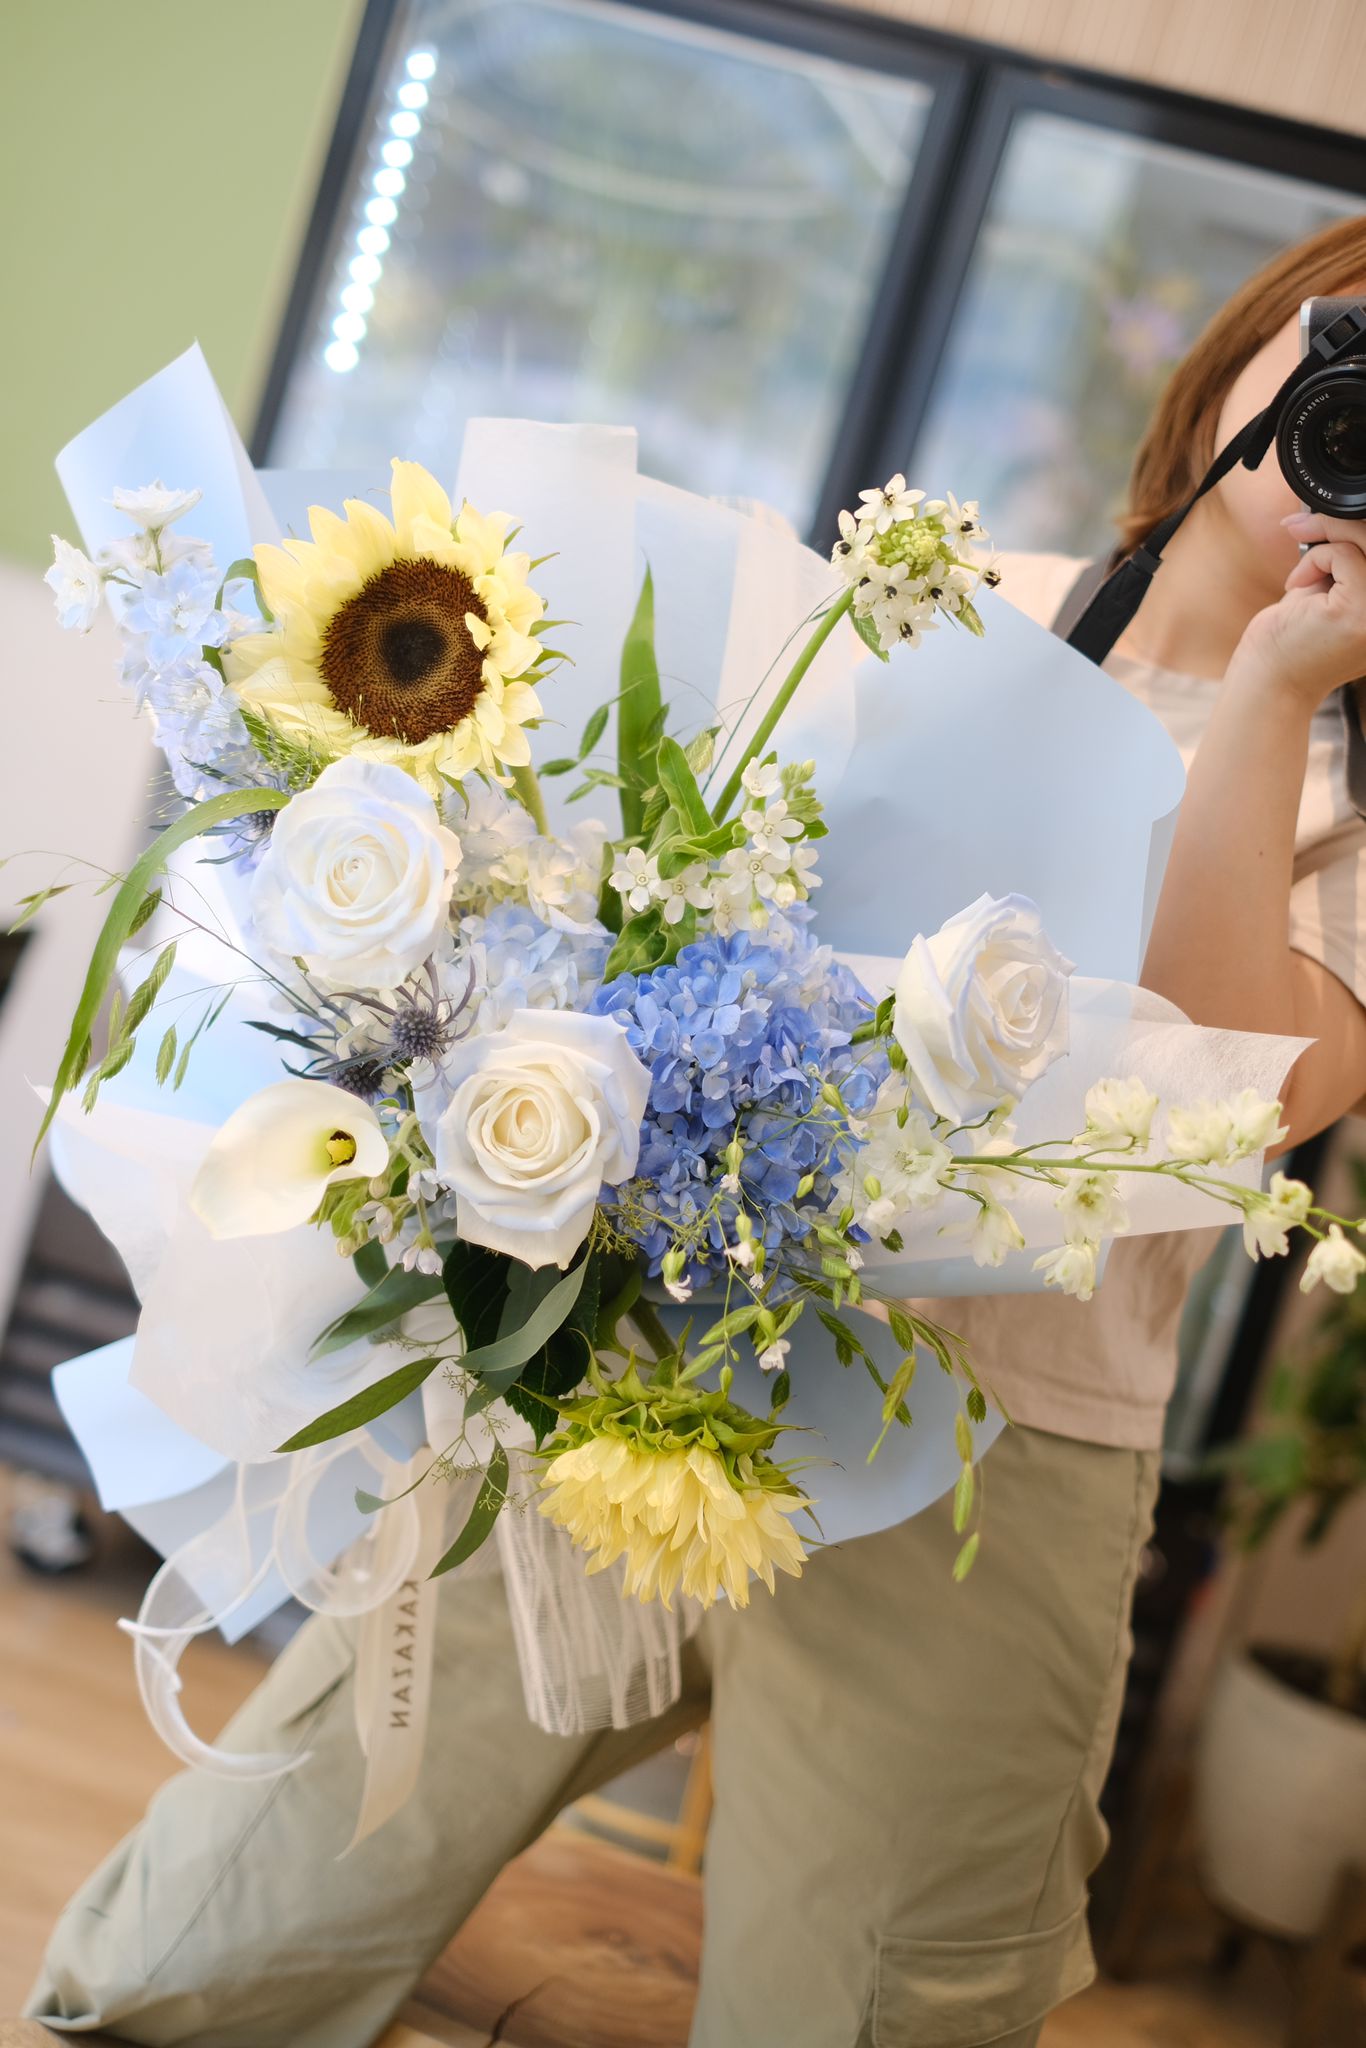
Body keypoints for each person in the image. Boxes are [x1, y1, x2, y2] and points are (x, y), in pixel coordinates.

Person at [26, 215, 1366, 2048]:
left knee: (862, 2016)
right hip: (647, 1358)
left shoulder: (1347, 797)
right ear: (1253, 344)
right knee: (208, 1935)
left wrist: (1284, 692)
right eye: (1350, 356)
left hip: (994, 1477)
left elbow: (1245, 1106)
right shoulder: (951, 590)